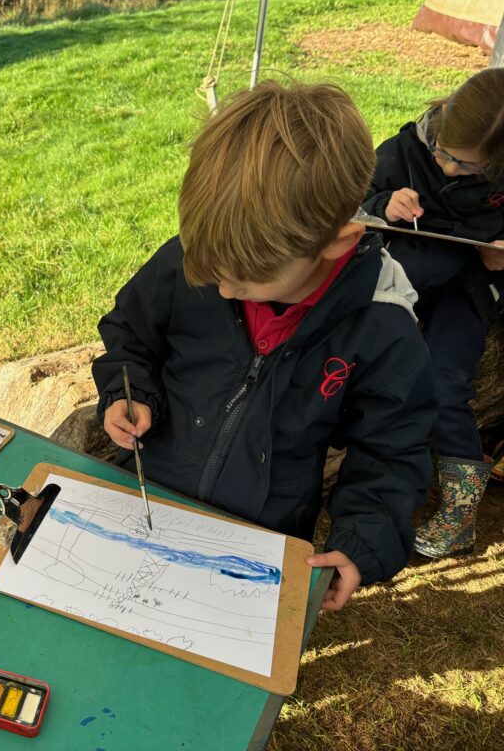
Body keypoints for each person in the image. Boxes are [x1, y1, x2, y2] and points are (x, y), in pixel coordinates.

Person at [93, 81, 437, 611]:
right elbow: (130, 334)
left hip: (261, 539)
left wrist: (362, 543)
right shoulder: (202, 258)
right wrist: (127, 390)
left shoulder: (381, 325)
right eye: (213, 272)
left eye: (247, 279)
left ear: (337, 242)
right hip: (150, 503)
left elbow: (391, 448)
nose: (224, 289)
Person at [361, 67, 504, 558]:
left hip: (470, 284)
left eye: (468, 168)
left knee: (445, 378)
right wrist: (384, 202)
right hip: (404, 274)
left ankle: (460, 510)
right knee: (377, 366)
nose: (450, 170)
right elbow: (349, 204)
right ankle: (372, 485)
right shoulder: (402, 150)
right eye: (446, 156)